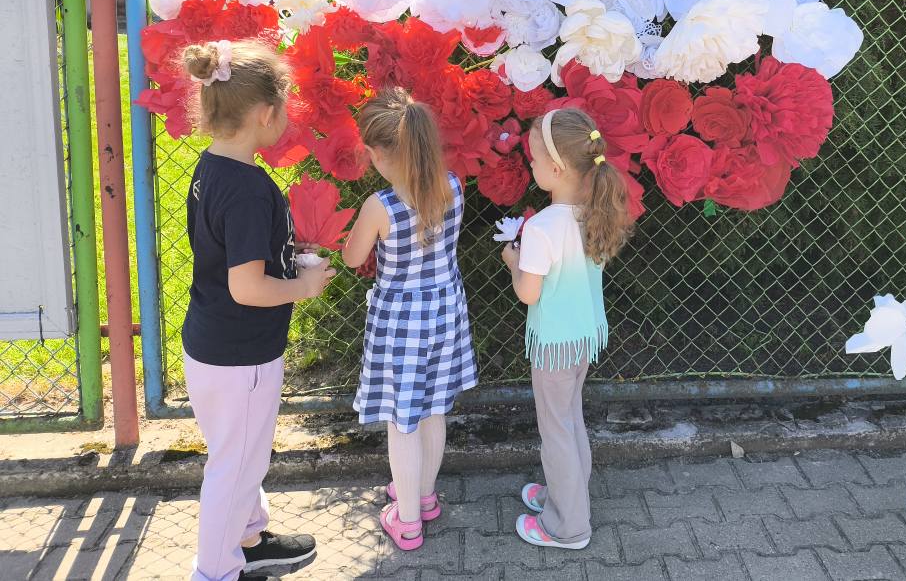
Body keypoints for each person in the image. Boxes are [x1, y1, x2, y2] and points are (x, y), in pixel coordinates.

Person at [181, 39, 333, 581]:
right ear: (266, 113)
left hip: (214, 343)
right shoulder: (246, 189)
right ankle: (215, 571)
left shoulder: (213, 167)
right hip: (239, 355)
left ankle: (247, 538)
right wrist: (305, 286)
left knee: (240, 457)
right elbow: (247, 287)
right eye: (285, 106)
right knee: (235, 466)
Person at [342, 88, 478, 551]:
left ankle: (407, 522)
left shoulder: (380, 206)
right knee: (434, 408)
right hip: (445, 311)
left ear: (379, 155)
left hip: (402, 319)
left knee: (402, 419)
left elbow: (353, 257)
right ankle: (424, 496)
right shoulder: (452, 186)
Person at [502, 108, 634, 550]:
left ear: (556, 170)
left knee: (555, 430)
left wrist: (513, 261)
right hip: (584, 338)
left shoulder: (541, 227)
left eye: (535, 160)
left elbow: (528, 293)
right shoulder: (594, 214)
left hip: (554, 346)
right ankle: (567, 494)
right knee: (570, 419)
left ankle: (568, 525)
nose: (531, 166)